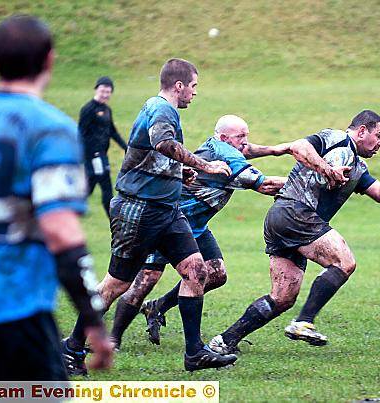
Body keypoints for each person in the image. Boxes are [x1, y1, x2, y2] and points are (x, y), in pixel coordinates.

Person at [0, 15, 113, 380]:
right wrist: (93, 320)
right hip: (14, 316)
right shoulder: (50, 128)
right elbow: (61, 230)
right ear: (50, 60)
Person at [62, 58, 238, 374]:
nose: (195, 94)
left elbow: (154, 153)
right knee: (116, 284)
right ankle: (72, 349)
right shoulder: (162, 109)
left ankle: (194, 352)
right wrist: (204, 165)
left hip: (168, 211)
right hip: (139, 210)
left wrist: (178, 172)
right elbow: (163, 142)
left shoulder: (160, 109)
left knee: (196, 270)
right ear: (179, 85)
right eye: (194, 86)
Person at [208, 110, 380, 354]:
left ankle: (224, 341)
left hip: (284, 219)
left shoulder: (358, 166)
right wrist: (327, 170)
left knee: (282, 297)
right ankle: (303, 321)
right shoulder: (335, 138)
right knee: (344, 262)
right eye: (379, 136)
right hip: (295, 212)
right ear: (362, 131)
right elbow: (300, 146)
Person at [109, 114, 287, 348]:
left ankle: (158, 307)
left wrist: (278, 150)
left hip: (197, 226)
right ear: (225, 138)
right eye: (241, 137)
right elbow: (265, 185)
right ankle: (113, 338)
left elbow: (248, 150)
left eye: (247, 135)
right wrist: (309, 178)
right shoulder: (226, 154)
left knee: (216, 273)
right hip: (170, 221)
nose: (246, 142)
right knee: (146, 278)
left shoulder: (220, 146)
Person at [78, 76, 127, 218]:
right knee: (105, 184)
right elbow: (80, 133)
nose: (105, 94)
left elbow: (112, 131)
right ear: (96, 90)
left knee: (91, 182)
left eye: (108, 91)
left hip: (102, 154)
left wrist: (126, 147)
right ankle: (113, 217)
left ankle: (73, 208)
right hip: (93, 155)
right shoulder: (88, 109)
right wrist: (84, 155)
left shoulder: (107, 110)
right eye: (102, 91)